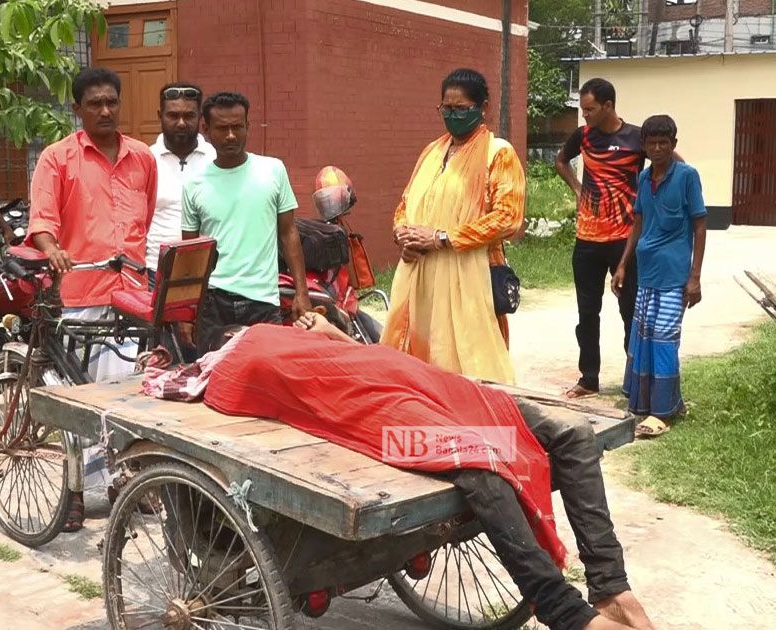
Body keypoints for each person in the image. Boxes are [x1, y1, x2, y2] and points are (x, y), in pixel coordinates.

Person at [143, 314, 654, 630]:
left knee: (572, 433)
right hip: (382, 413)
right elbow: (217, 383)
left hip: (425, 384)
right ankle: (565, 613)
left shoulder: (312, 336)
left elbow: (368, 355)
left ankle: (611, 584)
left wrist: (333, 332)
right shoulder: (239, 358)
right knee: (479, 460)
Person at [27, 66, 158, 530]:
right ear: (78, 108)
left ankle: (126, 483)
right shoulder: (57, 158)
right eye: (95, 103)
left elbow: (144, 221)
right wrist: (53, 250)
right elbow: (41, 220)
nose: (105, 110)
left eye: (112, 102)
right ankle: (76, 490)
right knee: (78, 399)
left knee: (128, 394)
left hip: (131, 294)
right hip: (80, 292)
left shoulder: (142, 157)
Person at [383, 68, 524, 384]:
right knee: (420, 361)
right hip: (421, 274)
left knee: (470, 362)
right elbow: (406, 204)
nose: (452, 115)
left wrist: (442, 237)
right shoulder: (432, 152)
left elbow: (508, 217)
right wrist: (402, 233)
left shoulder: (498, 153)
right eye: (446, 108)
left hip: (471, 276)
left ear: (482, 107)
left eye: (461, 109)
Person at [180, 91, 311, 353]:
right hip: (213, 303)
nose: (230, 135)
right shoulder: (193, 184)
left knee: (267, 380)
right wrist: (186, 310)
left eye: (238, 127)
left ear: (248, 126)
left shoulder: (273, 170)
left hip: (263, 300)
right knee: (212, 380)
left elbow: (288, 233)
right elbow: (190, 255)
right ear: (206, 129)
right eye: (222, 128)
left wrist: (302, 292)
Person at [611, 115, 706, 439]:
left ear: (673, 145)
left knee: (665, 340)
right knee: (644, 338)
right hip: (646, 273)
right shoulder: (644, 178)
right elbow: (637, 223)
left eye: (664, 142)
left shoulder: (688, 176)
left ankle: (661, 413)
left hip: (674, 274)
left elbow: (700, 225)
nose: (657, 148)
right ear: (645, 146)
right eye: (651, 143)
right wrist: (623, 264)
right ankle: (660, 402)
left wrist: (695, 276)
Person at [555, 78, 646, 400]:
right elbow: (560, 161)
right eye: (583, 110)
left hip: (624, 240)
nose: (585, 116)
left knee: (630, 311)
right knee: (587, 312)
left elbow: (673, 165)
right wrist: (578, 189)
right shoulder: (583, 136)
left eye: (590, 110)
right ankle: (588, 378)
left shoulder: (637, 137)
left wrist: (650, 205)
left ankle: (634, 378)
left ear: (608, 106)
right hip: (588, 240)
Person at [146, 82, 215, 287]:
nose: (182, 123)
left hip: (208, 273)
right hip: (155, 271)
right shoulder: (145, 159)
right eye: (173, 116)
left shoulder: (216, 158)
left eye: (189, 116)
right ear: (160, 116)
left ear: (200, 117)